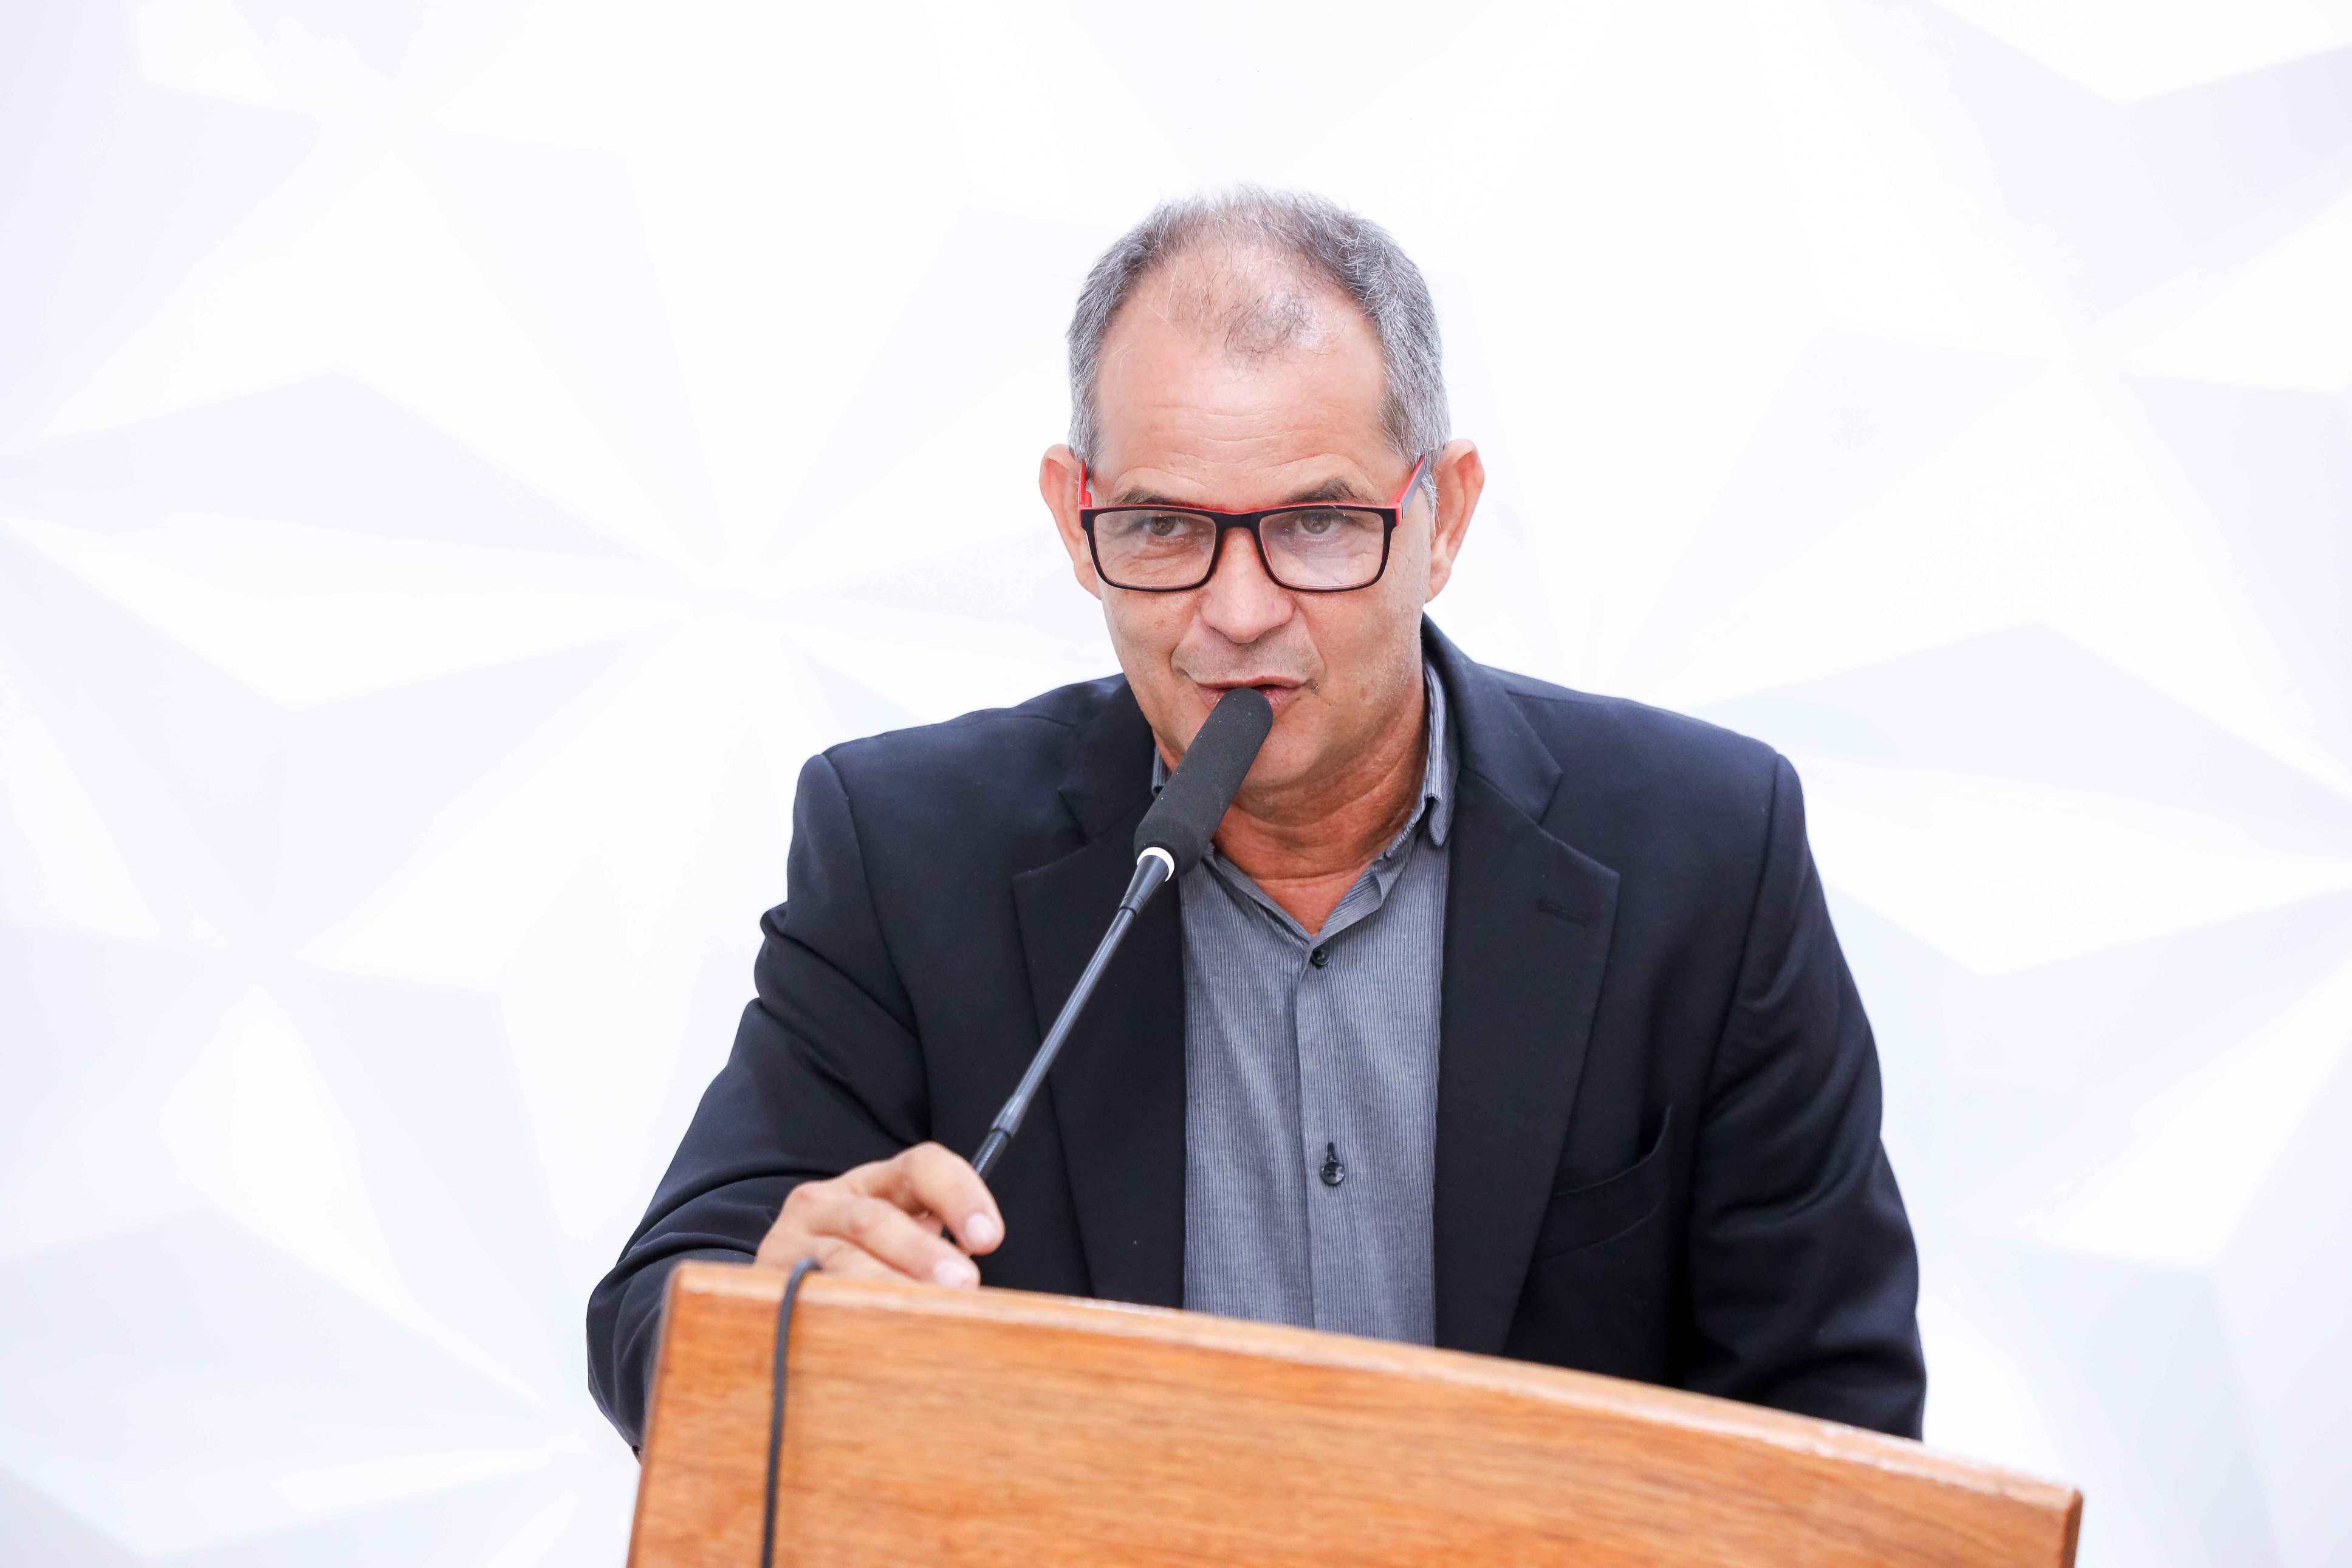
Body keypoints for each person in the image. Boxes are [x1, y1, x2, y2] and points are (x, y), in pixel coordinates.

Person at [588, 190, 1925, 1448]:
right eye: (1164, 526)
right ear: (1075, 519)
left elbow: (1837, 1413)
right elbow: (657, 1316)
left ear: (1443, 517)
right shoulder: (906, 848)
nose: (1237, 613)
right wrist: (775, 1305)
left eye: (1319, 524)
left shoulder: (1705, 848)